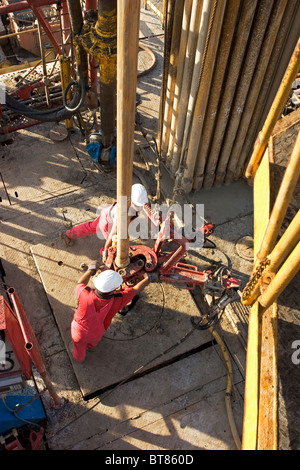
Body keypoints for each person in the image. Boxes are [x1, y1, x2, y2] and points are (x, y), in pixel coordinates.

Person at [71, 261, 158, 362]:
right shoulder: (118, 300)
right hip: (97, 332)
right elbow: (136, 290)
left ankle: (78, 358)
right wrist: (149, 278)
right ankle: (90, 346)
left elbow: (80, 284)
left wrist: (91, 270)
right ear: (115, 289)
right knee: (93, 342)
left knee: (78, 347)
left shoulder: (84, 294)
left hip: (78, 331)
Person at [60, 184, 149, 262]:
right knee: (114, 243)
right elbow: (113, 233)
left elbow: (144, 208)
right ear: (131, 200)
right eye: (137, 205)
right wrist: (107, 248)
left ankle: (68, 234)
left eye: (142, 205)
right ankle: (104, 253)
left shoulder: (127, 198)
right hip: (108, 226)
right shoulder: (122, 214)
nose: (140, 208)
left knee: (91, 226)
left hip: (106, 213)